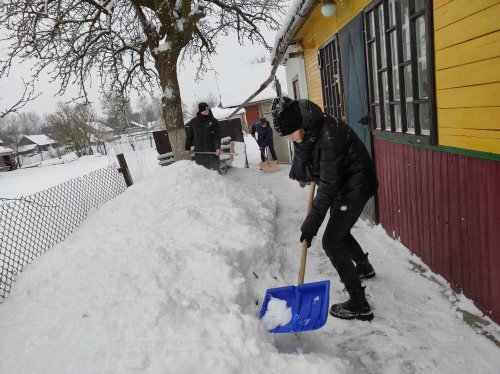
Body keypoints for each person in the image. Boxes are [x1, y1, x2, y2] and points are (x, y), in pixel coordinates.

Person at [271, 96, 378, 321]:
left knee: (331, 241)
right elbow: (310, 157)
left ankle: (359, 304)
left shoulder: (329, 137)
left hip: (355, 185)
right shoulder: (310, 127)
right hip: (345, 182)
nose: (289, 139)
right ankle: (364, 267)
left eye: (290, 134)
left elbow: (328, 188)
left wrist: (311, 225)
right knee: (339, 230)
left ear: (298, 124)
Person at [185, 102, 221, 171]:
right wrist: (187, 148)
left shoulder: (213, 121)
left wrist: (217, 147)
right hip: (200, 152)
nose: (207, 112)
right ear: (200, 111)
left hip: (212, 151)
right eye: (205, 111)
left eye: (207, 110)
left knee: (216, 172)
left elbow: (217, 136)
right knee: (202, 174)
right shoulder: (194, 122)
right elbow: (189, 136)